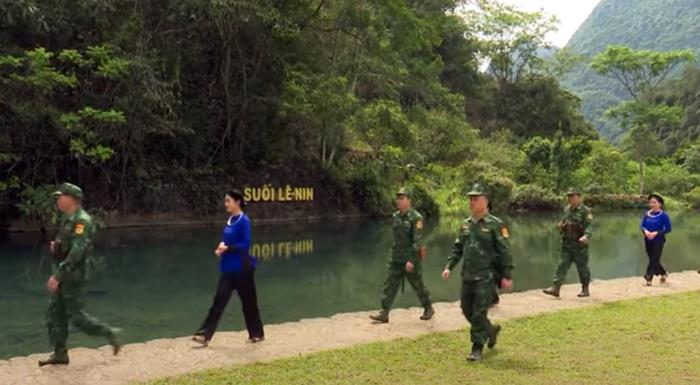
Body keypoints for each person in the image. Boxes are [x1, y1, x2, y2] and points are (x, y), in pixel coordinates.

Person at [40, 183, 121, 366]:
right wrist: (57, 247)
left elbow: (78, 251)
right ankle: (60, 353)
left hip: (74, 276)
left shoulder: (81, 221)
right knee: (54, 314)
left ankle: (108, 332)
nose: (58, 200)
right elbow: (68, 246)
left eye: (61, 197)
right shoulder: (68, 219)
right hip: (63, 272)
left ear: (71, 199)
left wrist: (58, 275)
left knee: (77, 317)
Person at [442, 183, 514, 362]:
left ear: (485, 201)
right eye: (470, 199)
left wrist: (507, 275)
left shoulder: (496, 225)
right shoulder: (465, 225)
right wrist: (449, 266)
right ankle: (490, 330)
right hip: (468, 275)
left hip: (486, 276)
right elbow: (458, 248)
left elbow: (505, 250)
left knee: (479, 313)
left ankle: (476, 348)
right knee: (466, 309)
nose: (472, 202)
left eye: (476, 199)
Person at [193, 189, 264, 346]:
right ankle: (204, 335)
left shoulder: (244, 221)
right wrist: (221, 248)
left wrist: (228, 248)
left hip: (242, 269)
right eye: (225, 201)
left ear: (237, 202)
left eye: (228, 201)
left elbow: (245, 244)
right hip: (227, 269)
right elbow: (227, 240)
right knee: (218, 301)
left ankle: (256, 333)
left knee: (249, 303)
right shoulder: (230, 220)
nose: (226, 204)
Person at [370, 187, 434, 323]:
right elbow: (396, 238)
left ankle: (428, 307)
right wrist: (393, 255)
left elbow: (417, 241)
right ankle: (384, 312)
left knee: (418, 285)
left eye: (402, 198)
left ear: (409, 200)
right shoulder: (395, 216)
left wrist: (411, 260)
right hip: (396, 257)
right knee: (389, 284)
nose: (398, 201)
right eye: (397, 198)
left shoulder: (416, 218)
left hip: (410, 258)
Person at [543, 188, 593, 298]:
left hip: (579, 246)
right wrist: (561, 226)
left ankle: (585, 289)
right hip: (567, 244)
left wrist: (586, 236)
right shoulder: (567, 210)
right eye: (569, 197)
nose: (570, 199)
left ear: (579, 197)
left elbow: (589, 226)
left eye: (573, 196)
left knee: (582, 267)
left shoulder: (585, 211)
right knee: (562, 265)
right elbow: (565, 222)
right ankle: (556, 288)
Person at [640, 193, 672, 286]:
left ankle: (648, 277)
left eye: (654, 202)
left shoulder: (664, 216)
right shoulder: (647, 214)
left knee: (654, 259)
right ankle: (663, 273)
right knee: (653, 259)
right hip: (648, 239)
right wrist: (646, 231)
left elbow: (668, 228)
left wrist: (656, 233)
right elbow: (642, 225)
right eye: (650, 202)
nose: (652, 204)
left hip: (658, 240)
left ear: (660, 204)